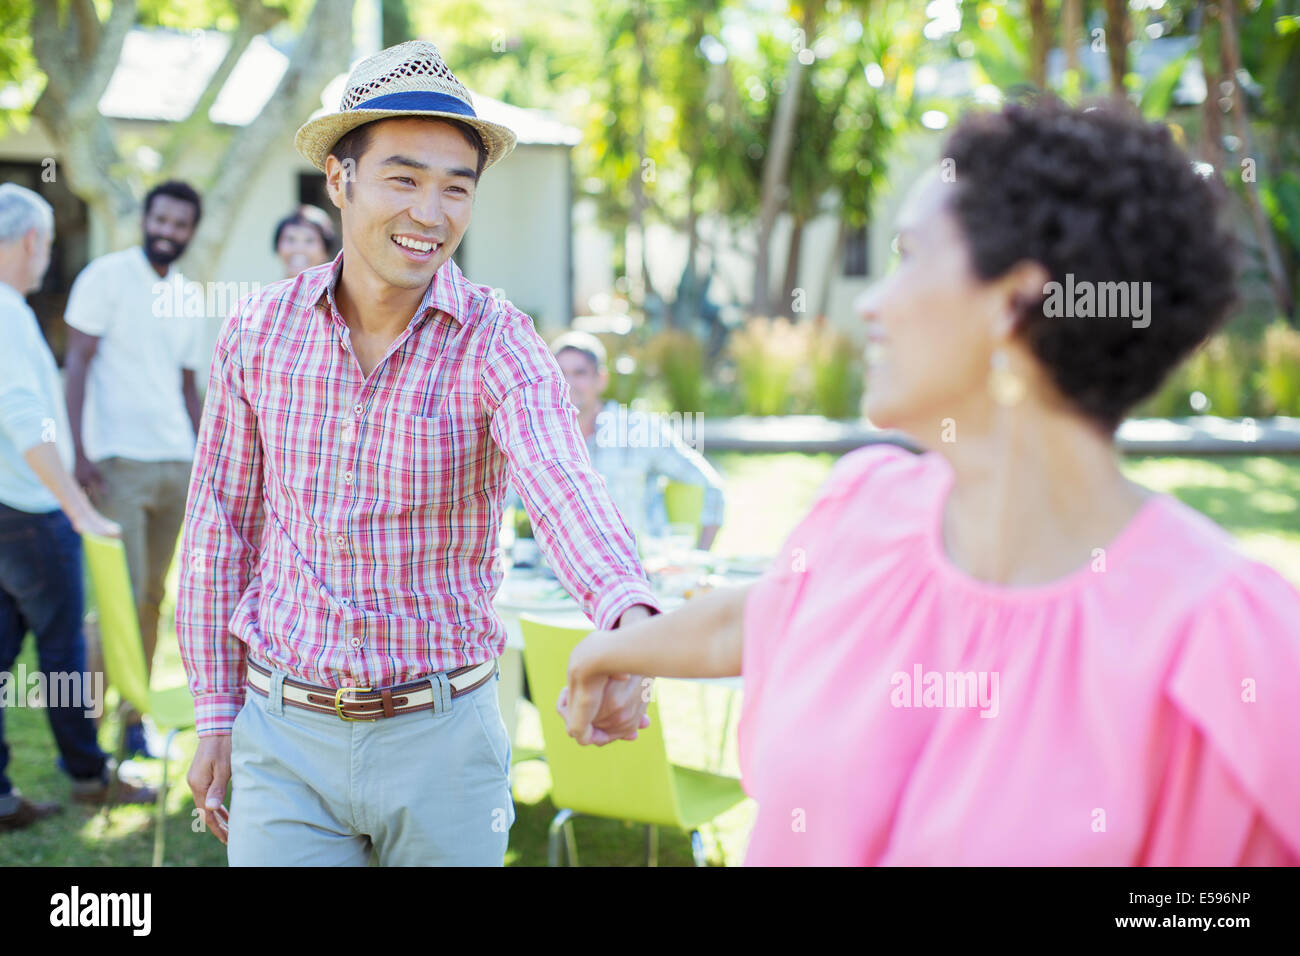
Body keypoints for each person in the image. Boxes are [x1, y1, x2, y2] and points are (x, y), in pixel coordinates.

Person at [561, 99, 1300, 865]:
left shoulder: (1222, 643)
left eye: (909, 254)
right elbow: (757, 620)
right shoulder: (865, 509)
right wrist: (612, 651)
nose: (874, 303)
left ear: (1012, 303)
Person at [176, 40, 661, 866]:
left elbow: (561, 481)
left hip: (445, 742)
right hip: (283, 742)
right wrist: (216, 712)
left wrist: (629, 619)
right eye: (403, 179)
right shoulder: (257, 333)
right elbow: (220, 527)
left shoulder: (497, 340)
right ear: (340, 179)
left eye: (455, 188)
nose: (430, 214)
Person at [0, 183, 157, 832]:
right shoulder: (7, 311)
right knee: (62, 651)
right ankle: (91, 777)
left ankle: (3, 797)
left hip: (10, 510)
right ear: (32, 241)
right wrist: (77, 508)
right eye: (46, 245)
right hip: (32, 514)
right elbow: (21, 417)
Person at [62, 179, 206, 761]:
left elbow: (189, 386)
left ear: (190, 231)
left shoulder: (190, 296)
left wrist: (209, 460)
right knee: (118, 598)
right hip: (117, 463)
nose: (168, 232)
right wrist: (77, 451)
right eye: (161, 220)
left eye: (180, 225)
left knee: (150, 598)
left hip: (177, 462)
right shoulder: (107, 277)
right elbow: (77, 363)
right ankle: (83, 731)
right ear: (146, 218)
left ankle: (132, 721)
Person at [506, 330, 726, 549]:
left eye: (579, 373)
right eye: (560, 374)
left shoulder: (639, 431)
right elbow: (501, 503)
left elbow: (710, 487)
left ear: (601, 380)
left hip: (637, 569)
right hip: (556, 573)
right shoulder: (536, 441)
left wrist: (699, 557)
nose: (568, 383)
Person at [273, 204, 337, 278]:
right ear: (277, 246)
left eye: (309, 240)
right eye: (290, 239)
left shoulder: (340, 289)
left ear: (326, 250)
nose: (299, 248)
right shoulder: (263, 289)